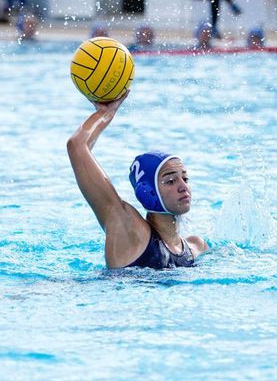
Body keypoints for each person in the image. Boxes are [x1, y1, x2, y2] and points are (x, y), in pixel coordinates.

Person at [67, 92, 208, 269]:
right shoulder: (130, 232)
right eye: (171, 181)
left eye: (185, 178)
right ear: (148, 192)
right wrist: (105, 114)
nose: (183, 187)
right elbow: (76, 146)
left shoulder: (197, 247)